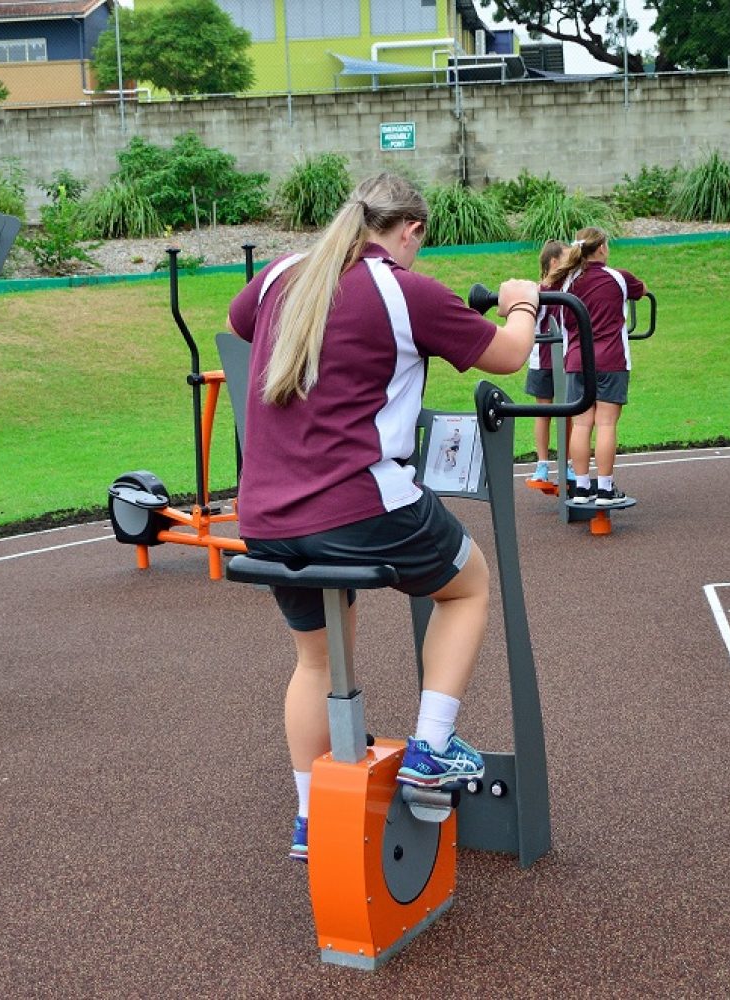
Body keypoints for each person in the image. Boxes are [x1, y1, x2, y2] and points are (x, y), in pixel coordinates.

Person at [225, 173, 539, 862]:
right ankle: (430, 747)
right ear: (411, 230)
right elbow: (511, 357)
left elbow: (239, 320)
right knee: (468, 585)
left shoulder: (284, 274)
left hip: (268, 512)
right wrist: (523, 303)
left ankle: (313, 819)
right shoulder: (404, 289)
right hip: (360, 503)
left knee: (315, 660)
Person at [545, 227, 646, 507]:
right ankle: (604, 488)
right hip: (612, 359)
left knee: (581, 424)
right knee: (605, 423)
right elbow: (642, 290)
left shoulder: (565, 282)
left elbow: (542, 289)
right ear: (601, 248)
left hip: (577, 361)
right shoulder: (618, 277)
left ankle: (581, 487)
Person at [525, 240, 567, 484]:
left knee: (570, 413)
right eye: (566, 257)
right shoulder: (536, 291)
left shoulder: (570, 289)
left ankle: (570, 463)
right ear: (554, 262)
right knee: (543, 412)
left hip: (568, 360)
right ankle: (542, 464)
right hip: (542, 361)